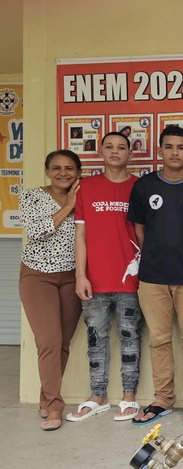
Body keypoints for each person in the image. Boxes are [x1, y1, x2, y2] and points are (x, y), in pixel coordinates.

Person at [128, 125, 183, 426]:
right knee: (159, 340)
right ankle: (162, 399)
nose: (175, 152)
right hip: (152, 276)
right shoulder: (144, 186)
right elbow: (139, 228)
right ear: (160, 151)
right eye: (169, 147)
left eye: (181, 147)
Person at [66, 132, 144, 423]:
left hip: (130, 279)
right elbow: (81, 233)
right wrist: (80, 275)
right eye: (109, 147)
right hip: (94, 280)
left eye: (121, 148)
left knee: (130, 337)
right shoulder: (87, 187)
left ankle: (129, 397)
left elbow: (143, 233)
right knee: (95, 339)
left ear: (130, 154)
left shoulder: (139, 186)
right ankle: (97, 396)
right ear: (101, 152)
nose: (115, 152)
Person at [19, 149, 83, 431]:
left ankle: (46, 397)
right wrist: (69, 206)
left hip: (72, 276)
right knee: (49, 340)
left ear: (78, 172)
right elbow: (37, 231)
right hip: (37, 276)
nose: (63, 173)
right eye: (56, 168)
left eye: (69, 168)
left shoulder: (85, 195)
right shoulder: (32, 196)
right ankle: (55, 406)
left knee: (63, 343)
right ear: (47, 171)